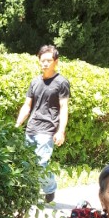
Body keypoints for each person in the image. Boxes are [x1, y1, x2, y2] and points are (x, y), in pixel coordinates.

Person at [15, 44, 70, 203]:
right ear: (38, 61)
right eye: (42, 60)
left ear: (56, 61)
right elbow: (27, 105)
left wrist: (61, 131)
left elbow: (64, 108)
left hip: (47, 129)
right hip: (31, 128)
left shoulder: (61, 82)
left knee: (40, 163)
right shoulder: (35, 82)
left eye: (49, 60)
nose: (45, 63)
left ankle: (50, 188)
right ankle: (29, 194)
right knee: (27, 163)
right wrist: (17, 125)